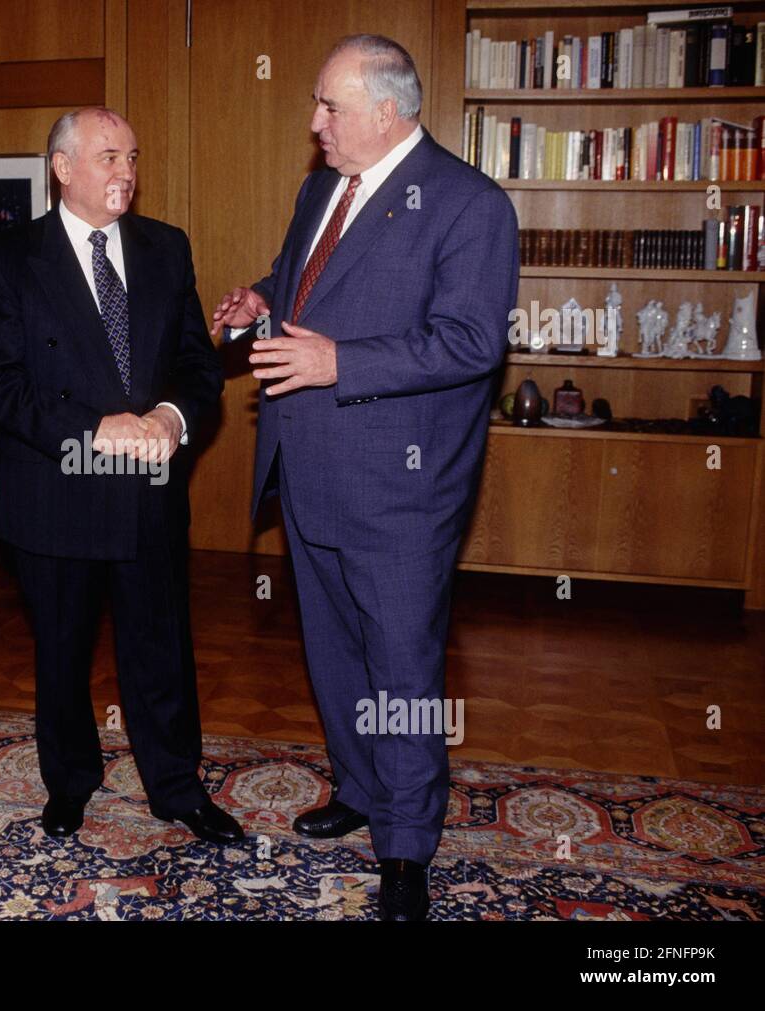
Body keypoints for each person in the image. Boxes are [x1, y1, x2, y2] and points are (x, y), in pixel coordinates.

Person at [211, 35, 519, 919]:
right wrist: (264, 300)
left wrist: (340, 361)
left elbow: (469, 342)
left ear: (387, 111)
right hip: (307, 466)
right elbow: (306, 281)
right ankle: (357, 786)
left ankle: (408, 843)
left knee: (404, 666)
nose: (314, 124)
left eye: (329, 108)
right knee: (334, 649)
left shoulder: (470, 205)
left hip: (402, 485)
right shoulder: (323, 188)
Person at [0, 107, 239, 844]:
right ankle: (69, 784)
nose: (126, 171)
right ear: (62, 168)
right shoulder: (7, 257)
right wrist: (94, 430)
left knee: (161, 650)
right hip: (56, 493)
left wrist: (171, 418)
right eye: (109, 156)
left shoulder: (166, 247)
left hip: (149, 493)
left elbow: (196, 362)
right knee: (61, 653)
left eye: (132, 155)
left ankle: (178, 790)